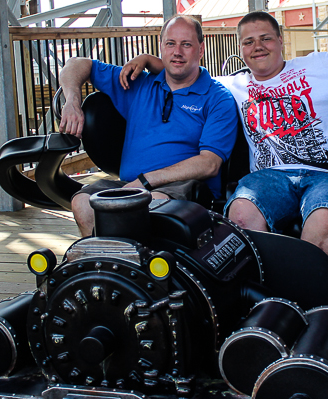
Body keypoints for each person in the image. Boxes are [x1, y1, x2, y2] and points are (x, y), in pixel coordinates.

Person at [119, 11, 328, 266]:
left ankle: (311, 299)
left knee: (324, 220)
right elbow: (184, 69)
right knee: (240, 214)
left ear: (280, 40)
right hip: (268, 177)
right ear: (240, 49)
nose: (258, 47)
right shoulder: (232, 85)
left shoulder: (322, 67)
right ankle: (260, 292)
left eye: (265, 38)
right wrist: (146, 60)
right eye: (249, 42)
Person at [58, 15, 238, 237]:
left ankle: (133, 266)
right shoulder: (138, 83)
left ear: (200, 50)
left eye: (186, 44)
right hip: (129, 184)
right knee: (84, 203)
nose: (177, 52)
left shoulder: (218, 98)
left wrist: (144, 181)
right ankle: (104, 263)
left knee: (146, 206)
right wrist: (72, 101)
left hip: (182, 188)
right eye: (170, 43)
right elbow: (77, 64)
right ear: (161, 47)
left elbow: (209, 164)